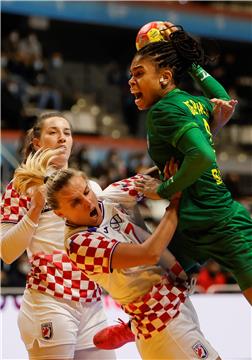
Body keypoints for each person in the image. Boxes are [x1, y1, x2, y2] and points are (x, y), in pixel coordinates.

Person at [12, 148, 221, 360]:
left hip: (176, 299)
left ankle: (130, 329)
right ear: (59, 213)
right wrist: (175, 197)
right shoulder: (80, 243)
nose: (88, 202)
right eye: (75, 202)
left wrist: (200, 142)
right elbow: (150, 253)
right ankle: (132, 327)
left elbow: (150, 176)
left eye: (86, 191)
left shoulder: (110, 197)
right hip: (161, 321)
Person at [128, 24, 252, 305]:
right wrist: (194, 66)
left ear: (165, 77)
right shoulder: (195, 103)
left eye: (138, 74)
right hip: (192, 218)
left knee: (151, 279)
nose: (131, 82)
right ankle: (130, 328)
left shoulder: (165, 110)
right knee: (153, 281)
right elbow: (224, 99)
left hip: (218, 221)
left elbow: (204, 156)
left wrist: (164, 189)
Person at [0, 112, 116, 360]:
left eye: (67, 132)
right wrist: (34, 209)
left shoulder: (90, 187)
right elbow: (7, 253)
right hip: (49, 302)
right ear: (37, 142)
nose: (62, 138)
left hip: (93, 303)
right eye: (53, 132)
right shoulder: (20, 187)